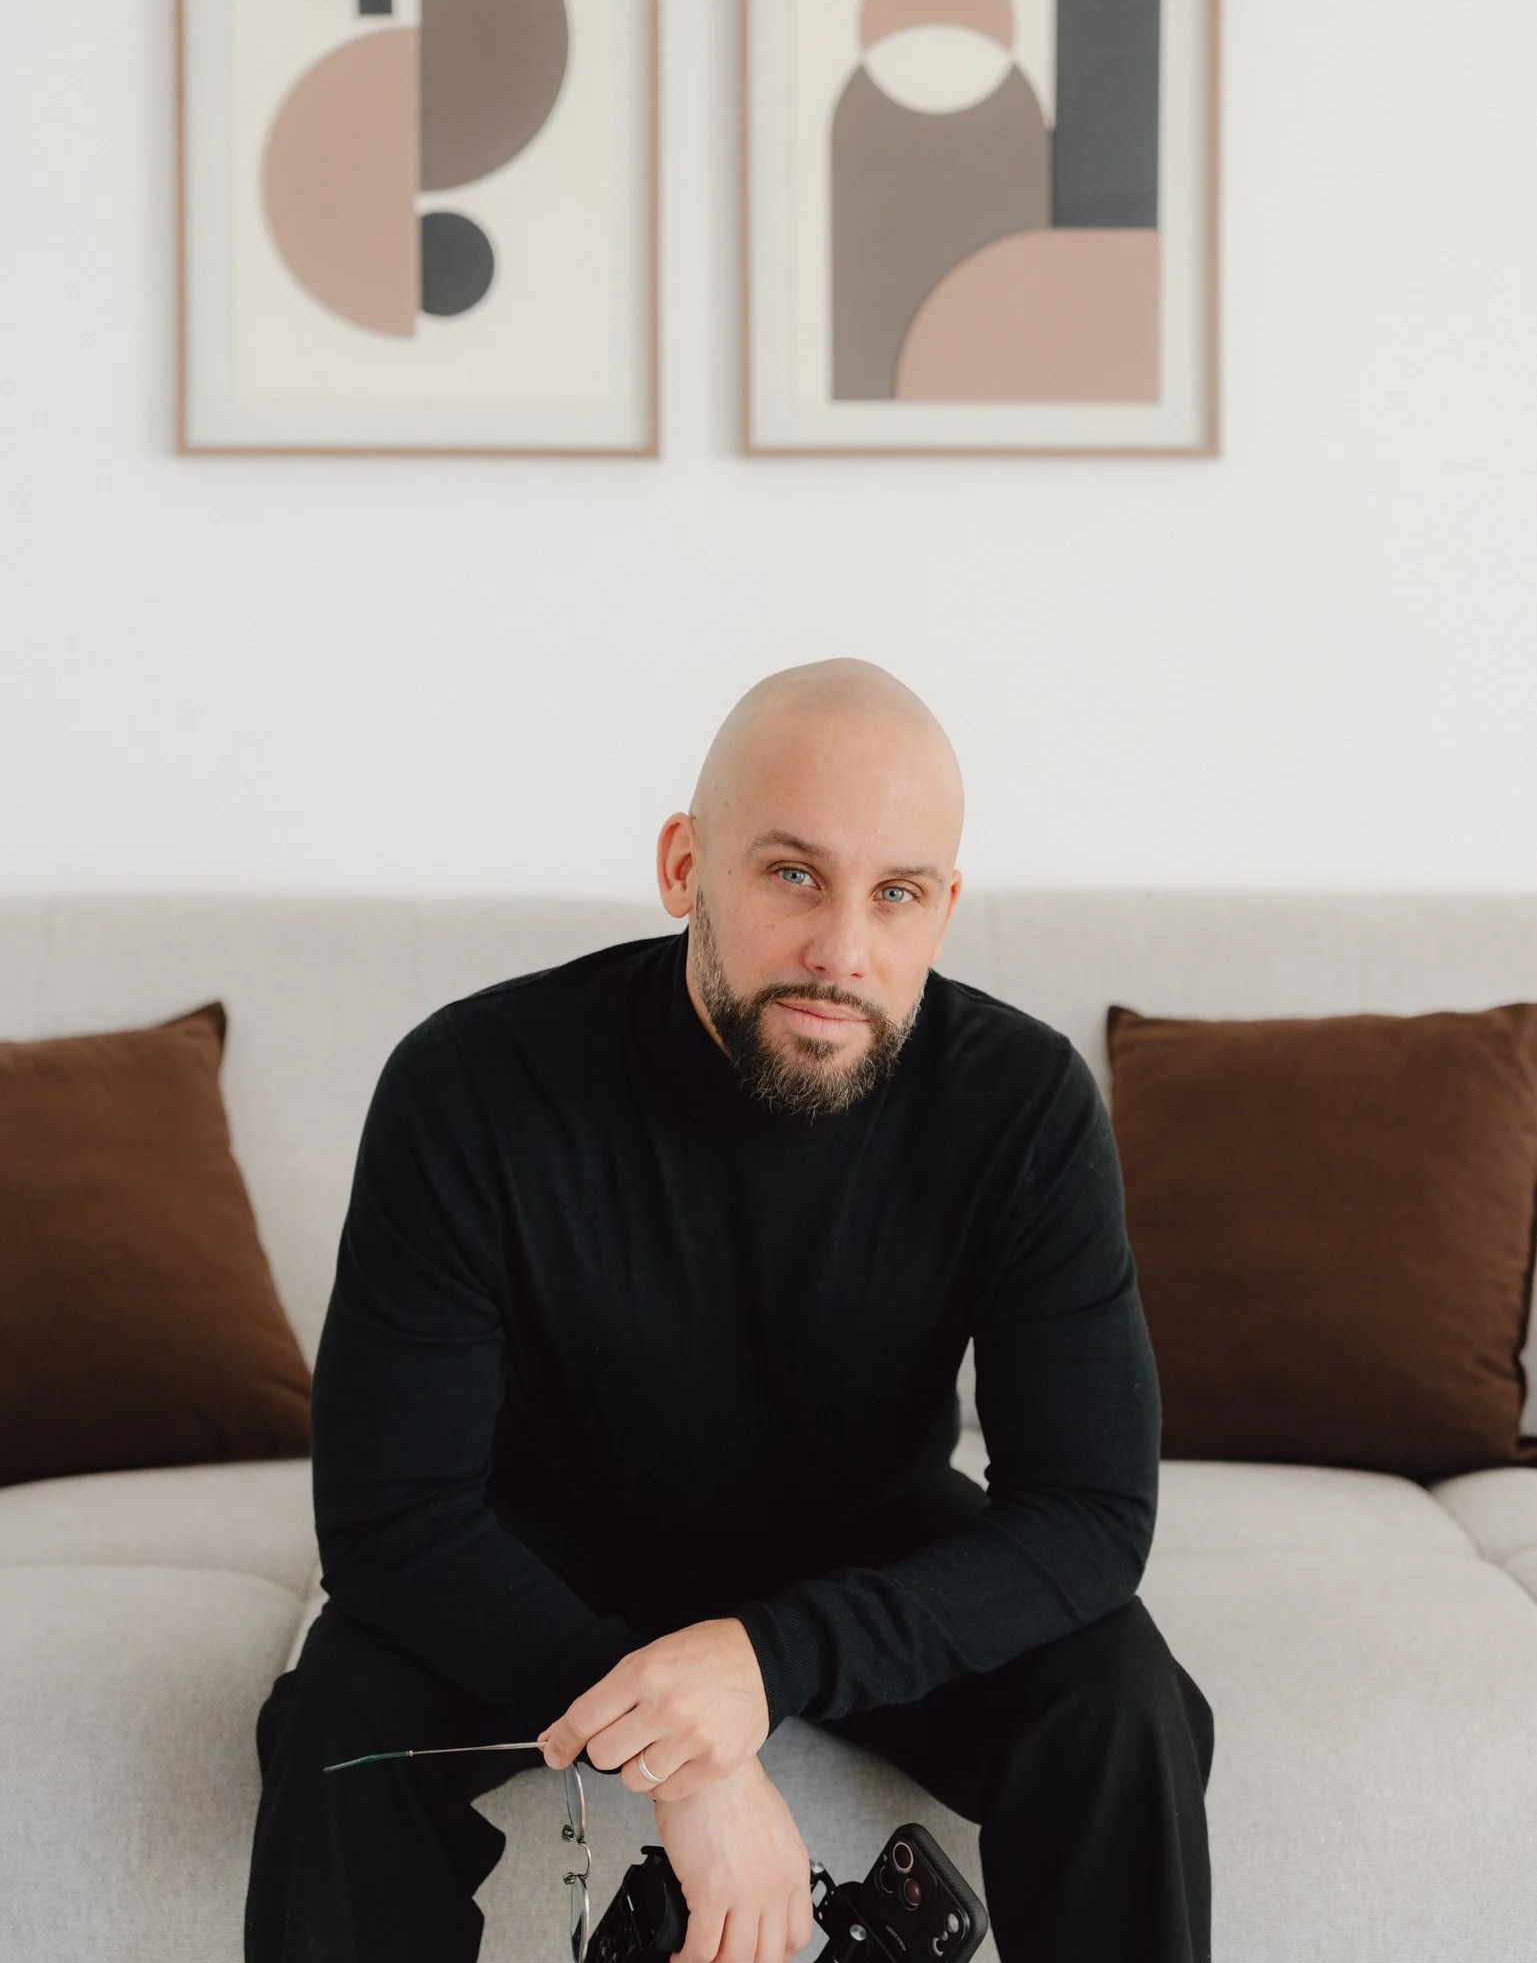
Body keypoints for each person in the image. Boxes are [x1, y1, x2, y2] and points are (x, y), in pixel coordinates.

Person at [244, 658, 1215, 1963]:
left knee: (1126, 1705)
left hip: (868, 1545)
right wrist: (684, 1758)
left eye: (897, 893)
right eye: (794, 874)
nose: (842, 950)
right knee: (340, 1737)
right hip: (541, 1552)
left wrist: (764, 1663)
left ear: (943, 911)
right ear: (684, 866)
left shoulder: (1023, 1107)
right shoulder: (469, 1086)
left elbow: (1090, 1514)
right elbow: (392, 1520)